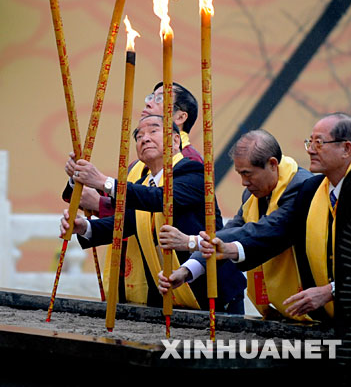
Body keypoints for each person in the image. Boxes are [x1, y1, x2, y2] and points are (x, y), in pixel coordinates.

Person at [179, 113, 351, 321]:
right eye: (309, 142)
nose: (310, 149)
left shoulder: (307, 187)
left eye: (319, 143)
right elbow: (263, 233)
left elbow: (269, 230)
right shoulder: (313, 189)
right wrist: (204, 260)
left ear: (346, 149)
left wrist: (330, 291)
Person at [60, 115, 246, 312]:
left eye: (153, 131)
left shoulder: (193, 171)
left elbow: (162, 199)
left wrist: (104, 182)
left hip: (212, 291)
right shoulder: (142, 184)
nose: (145, 138)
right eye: (139, 136)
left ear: (175, 140)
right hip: (168, 292)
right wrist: (85, 227)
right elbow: (126, 223)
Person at [158, 129, 313, 320]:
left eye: (248, 174)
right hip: (279, 307)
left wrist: (192, 241)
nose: (243, 182)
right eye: (240, 174)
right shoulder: (252, 194)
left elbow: (265, 231)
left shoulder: (302, 186)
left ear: (272, 164)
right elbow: (232, 231)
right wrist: (186, 270)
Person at [62, 82, 203, 217]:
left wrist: (100, 204)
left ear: (180, 117)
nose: (148, 103)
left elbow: (157, 207)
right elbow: (119, 197)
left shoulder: (188, 161)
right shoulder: (138, 164)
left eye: (160, 99)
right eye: (150, 97)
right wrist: (81, 176)